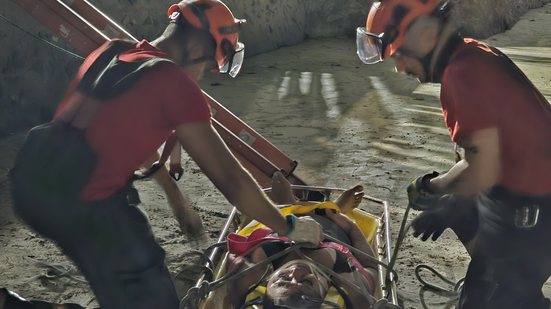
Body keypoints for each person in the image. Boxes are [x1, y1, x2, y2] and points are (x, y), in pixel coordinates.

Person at [8, 1, 322, 308]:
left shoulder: (113, 51)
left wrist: (175, 197)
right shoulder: (175, 84)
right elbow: (232, 180)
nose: (203, 73)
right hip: (85, 203)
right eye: (209, 63)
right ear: (198, 47)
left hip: (30, 182)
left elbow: (110, 130)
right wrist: (289, 227)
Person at [356, 0, 551, 308]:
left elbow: (483, 165)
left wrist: (444, 199)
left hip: (534, 210)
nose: (399, 68)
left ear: (423, 38)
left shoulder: (462, 76)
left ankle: (514, 289)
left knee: (484, 299)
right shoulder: (472, 54)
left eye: (399, 55)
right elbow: (482, 154)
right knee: (461, 210)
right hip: (529, 194)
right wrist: (438, 187)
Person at [227, 172, 401, 309]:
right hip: (332, 226)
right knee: (330, 213)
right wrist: (351, 227)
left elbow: (228, 255)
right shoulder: (352, 287)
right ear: (325, 292)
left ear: (267, 287)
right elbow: (372, 267)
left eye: (283, 281)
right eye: (307, 282)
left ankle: (287, 201)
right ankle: (336, 208)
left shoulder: (251, 275)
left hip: (284, 219)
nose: (295, 272)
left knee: (265, 216)